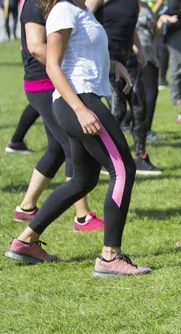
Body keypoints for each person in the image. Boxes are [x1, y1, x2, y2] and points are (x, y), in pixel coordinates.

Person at [5, 0, 151, 278]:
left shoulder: (82, 11)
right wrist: (80, 110)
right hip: (78, 101)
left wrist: (114, 65)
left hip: (85, 98)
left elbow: (81, 54)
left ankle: (25, 241)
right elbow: (53, 66)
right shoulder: (63, 10)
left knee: (83, 181)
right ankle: (110, 257)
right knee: (123, 169)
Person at [13, 0, 104, 232]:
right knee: (69, 145)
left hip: (55, 81)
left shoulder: (59, 3)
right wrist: (68, 65)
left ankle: (26, 206)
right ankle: (82, 216)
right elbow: (34, 46)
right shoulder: (36, 4)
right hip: (43, 83)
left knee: (55, 147)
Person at [88, 0, 163, 175]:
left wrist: (139, 48)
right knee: (118, 109)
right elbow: (84, 19)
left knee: (140, 107)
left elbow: (129, 25)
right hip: (107, 59)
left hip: (129, 58)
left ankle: (140, 157)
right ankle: (104, 158)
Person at [135, 0, 177, 141]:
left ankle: (139, 127)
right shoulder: (126, 6)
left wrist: (161, 21)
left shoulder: (145, 6)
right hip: (137, 57)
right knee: (149, 94)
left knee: (150, 93)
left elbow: (155, 31)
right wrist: (136, 51)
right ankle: (145, 131)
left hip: (151, 55)